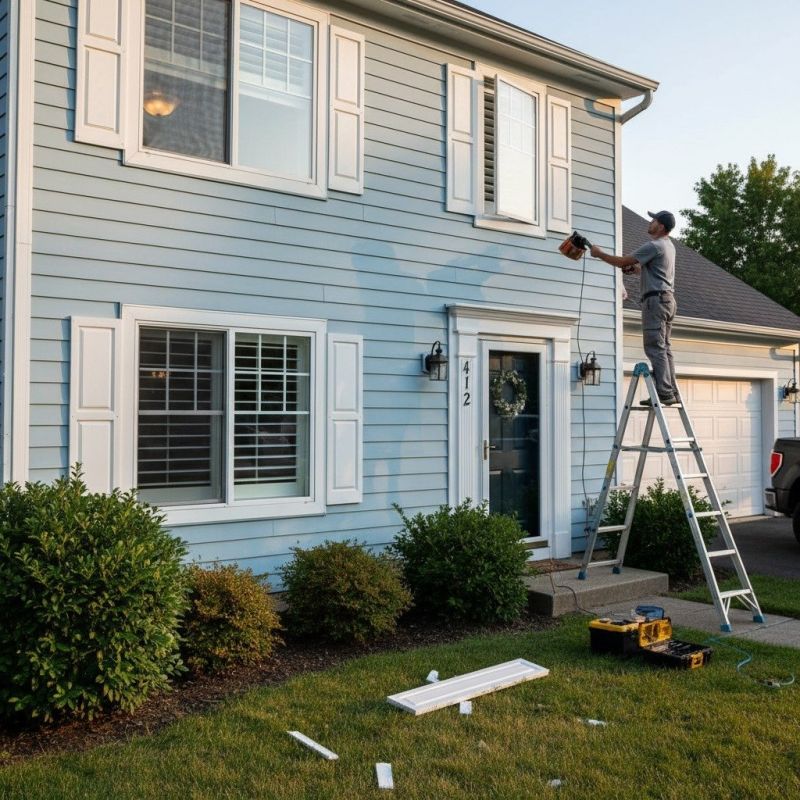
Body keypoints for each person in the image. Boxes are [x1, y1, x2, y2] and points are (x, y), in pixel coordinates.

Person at [590, 210, 678, 405]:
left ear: (661, 226)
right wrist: (635, 268)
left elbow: (622, 261)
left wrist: (599, 254)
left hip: (655, 301)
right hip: (667, 300)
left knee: (655, 347)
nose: (650, 222)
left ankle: (664, 393)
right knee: (664, 348)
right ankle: (671, 390)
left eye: (653, 220)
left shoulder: (654, 245)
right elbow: (649, 269)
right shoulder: (669, 246)